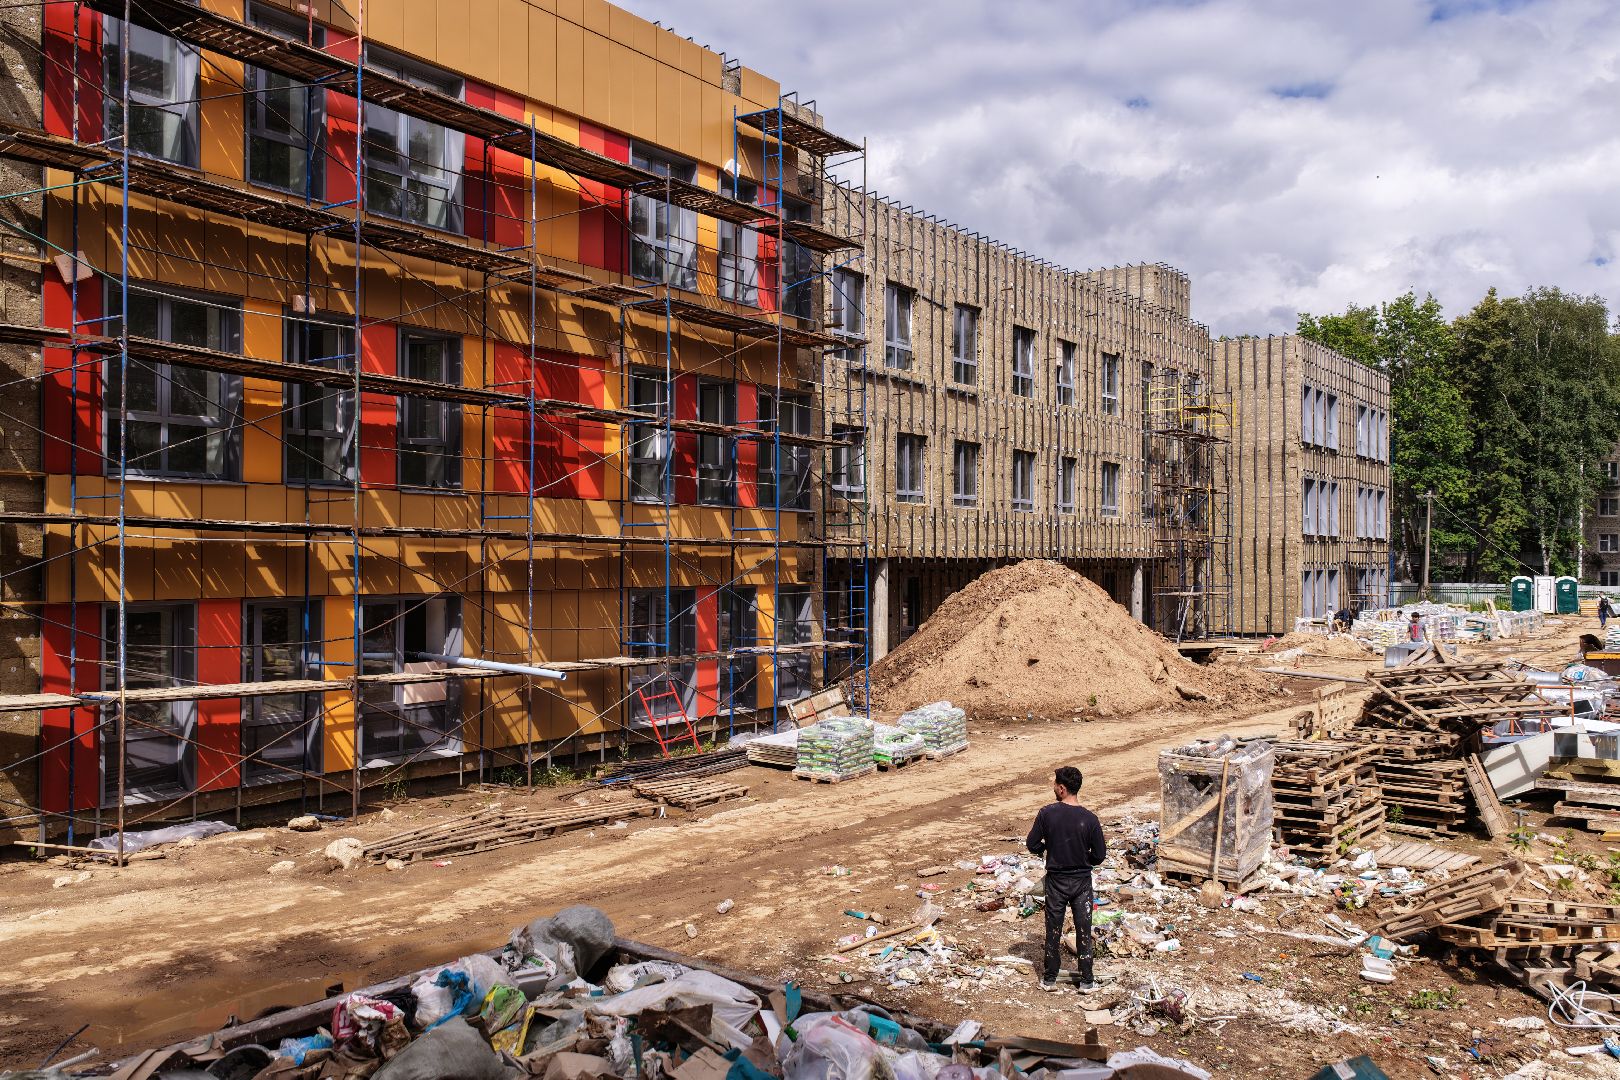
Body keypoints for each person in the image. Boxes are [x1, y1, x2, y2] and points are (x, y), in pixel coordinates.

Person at [1026, 766, 1106, 992]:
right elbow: (1099, 855)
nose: (1053, 787)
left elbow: (1032, 844)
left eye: (1054, 784)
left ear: (1061, 789)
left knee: (1053, 929)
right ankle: (1087, 981)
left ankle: (1049, 979)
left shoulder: (1047, 813)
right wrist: (1083, 857)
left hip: (1056, 882)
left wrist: (1047, 847)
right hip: (1081, 883)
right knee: (1084, 930)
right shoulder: (1090, 819)